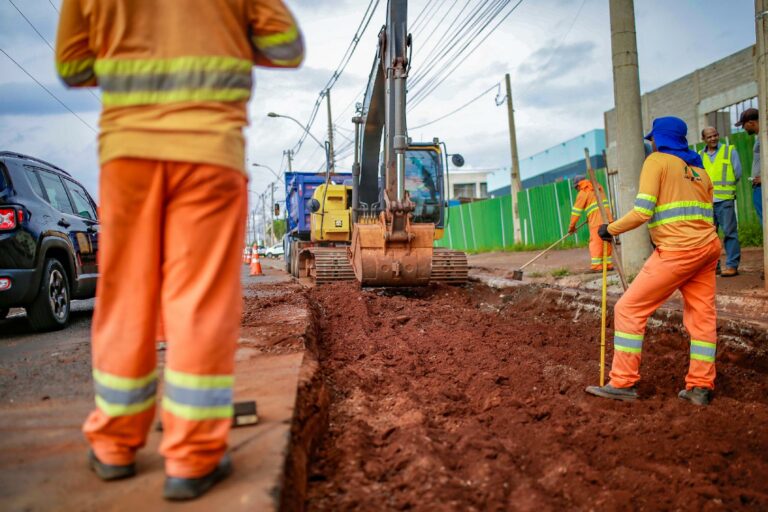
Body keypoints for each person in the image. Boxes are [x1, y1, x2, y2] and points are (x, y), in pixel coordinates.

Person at [56, 0, 304, 500]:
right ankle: (192, 459)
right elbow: (287, 46)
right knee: (199, 301)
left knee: (125, 296)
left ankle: (114, 446)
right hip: (209, 152)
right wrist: (227, 39)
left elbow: (72, 64)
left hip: (127, 153)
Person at [586, 116, 721, 406]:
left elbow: (642, 211)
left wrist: (609, 229)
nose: (650, 143)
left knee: (628, 309)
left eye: (652, 139)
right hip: (707, 249)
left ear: (659, 139)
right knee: (702, 317)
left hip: (677, 251)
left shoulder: (657, 162)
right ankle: (700, 387)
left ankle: (623, 383)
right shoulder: (700, 170)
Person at [698, 126, 742, 276]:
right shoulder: (700, 156)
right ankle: (713, 266)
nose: (713, 139)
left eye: (715, 135)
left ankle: (732, 265)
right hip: (707, 202)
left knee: (730, 233)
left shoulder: (730, 151)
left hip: (724, 200)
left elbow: (737, 173)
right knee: (710, 236)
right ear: (703, 139)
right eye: (709, 137)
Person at [568, 177, 613, 272]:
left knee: (595, 243)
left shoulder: (583, 192)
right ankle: (608, 265)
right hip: (608, 220)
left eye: (576, 188)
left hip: (596, 222)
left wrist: (571, 227)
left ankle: (597, 267)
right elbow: (596, 205)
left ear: (578, 185)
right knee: (606, 242)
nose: (576, 190)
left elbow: (576, 212)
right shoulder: (598, 187)